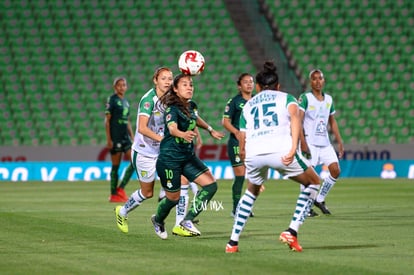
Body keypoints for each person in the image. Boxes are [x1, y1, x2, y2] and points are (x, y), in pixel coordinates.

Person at [225, 61, 321, 253]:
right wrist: (294, 147)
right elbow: (295, 119)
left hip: (254, 154)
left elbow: (243, 136)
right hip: (280, 150)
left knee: (251, 190)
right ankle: (292, 231)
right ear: (278, 86)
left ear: (258, 87)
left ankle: (232, 243)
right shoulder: (287, 98)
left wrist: (245, 156)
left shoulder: (249, 104)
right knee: (314, 182)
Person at [114, 68, 199, 235]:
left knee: (182, 182)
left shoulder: (171, 100)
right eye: (163, 78)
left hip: (163, 152)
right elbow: (142, 128)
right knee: (147, 193)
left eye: (170, 78)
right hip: (144, 152)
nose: (167, 81)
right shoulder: (148, 100)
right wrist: (164, 139)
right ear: (155, 80)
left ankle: (179, 224)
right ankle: (122, 212)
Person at [151, 73, 225, 239]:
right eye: (184, 84)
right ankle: (158, 219)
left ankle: (187, 220)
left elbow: (196, 118)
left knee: (211, 186)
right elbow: (171, 128)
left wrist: (210, 129)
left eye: (191, 84)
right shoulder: (172, 108)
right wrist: (182, 134)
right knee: (173, 199)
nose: (189, 87)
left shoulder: (192, 106)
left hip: (187, 157)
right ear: (175, 89)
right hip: (169, 159)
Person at [298, 69, 344, 215]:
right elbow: (298, 121)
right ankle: (306, 207)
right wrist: (302, 142)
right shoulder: (305, 98)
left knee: (336, 170)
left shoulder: (329, 99)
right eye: (314, 79)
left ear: (324, 81)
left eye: (320, 78)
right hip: (310, 143)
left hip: (325, 143)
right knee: (307, 175)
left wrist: (340, 141)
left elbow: (332, 122)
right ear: (310, 82)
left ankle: (320, 199)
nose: (318, 81)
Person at [222, 73, 255, 217]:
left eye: (251, 82)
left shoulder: (256, 100)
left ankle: (247, 206)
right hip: (236, 143)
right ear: (239, 86)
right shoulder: (234, 101)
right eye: (245, 82)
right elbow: (225, 122)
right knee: (240, 175)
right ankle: (236, 209)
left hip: (253, 142)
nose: (249, 84)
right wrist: (237, 133)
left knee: (254, 177)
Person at [105, 77, 135, 203]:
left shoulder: (126, 102)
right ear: (115, 87)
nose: (122, 87)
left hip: (125, 138)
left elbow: (127, 121)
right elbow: (107, 121)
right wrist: (109, 139)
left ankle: (121, 189)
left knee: (134, 162)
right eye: (119, 85)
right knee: (115, 166)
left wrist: (133, 138)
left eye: (124, 85)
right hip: (115, 137)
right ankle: (113, 194)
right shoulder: (112, 100)